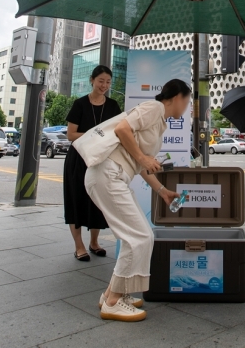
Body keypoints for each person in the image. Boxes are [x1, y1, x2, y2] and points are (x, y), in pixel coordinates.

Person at [85, 79, 190, 322]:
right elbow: (122, 130)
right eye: (187, 100)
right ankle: (112, 302)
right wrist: (143, 158)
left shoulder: (160, 121)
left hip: (114, 176)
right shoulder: (155, 108)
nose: (187, 107)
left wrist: (163, 191)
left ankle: (111, 294)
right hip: (108, 174)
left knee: (135, 235)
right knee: (140, 236)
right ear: (176, 97)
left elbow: (143, 166)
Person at [64, 65, 122, 261]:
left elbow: (117, 132)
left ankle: (94, 242)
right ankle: (79, 245)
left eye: (108, 82)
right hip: (79, 159)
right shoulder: (80, 104)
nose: (104, 85)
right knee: (76, 199)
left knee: (98, 200)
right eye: (101, 81)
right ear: (92, 80)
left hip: (101, 159)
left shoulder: (113, 106)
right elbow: (71, 134)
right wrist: (94, 135)